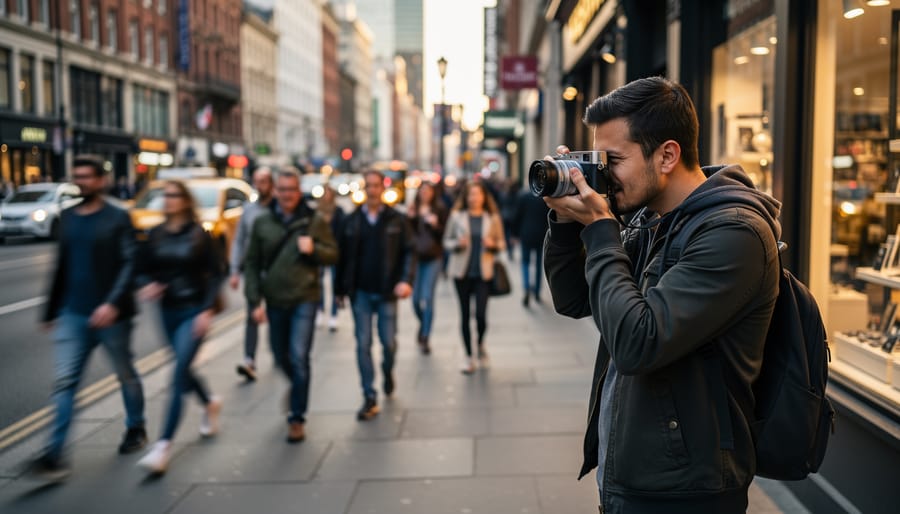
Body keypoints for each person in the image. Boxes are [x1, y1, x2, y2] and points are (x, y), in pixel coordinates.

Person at [542, 76, 780, 513]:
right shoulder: (651, 221)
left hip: (687, 489)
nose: (604, 177)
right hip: (635, 472)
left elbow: (638, 344)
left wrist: (600, 230)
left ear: (667, 154)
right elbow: (574, 300)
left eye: (613, 160)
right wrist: (564, 223)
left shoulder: (733, 233)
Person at [31, 155, 147, 482]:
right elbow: (62, 266)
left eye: (87, 177)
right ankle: (55, 454)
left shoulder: (118, 217)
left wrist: (111, 304)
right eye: (77, 176)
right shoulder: (67, 217)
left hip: (114, 317)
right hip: (73, 314)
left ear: (101, 180)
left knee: (125, 373)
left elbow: (130, 263)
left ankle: (136, 426)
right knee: (65, 383)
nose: (81, 181)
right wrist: (50, 311)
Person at [135, 180, 226, 474]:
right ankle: (209, 402)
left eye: (174, 195)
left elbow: (216, 274)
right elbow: (140, 269)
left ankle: (163, 446)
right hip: (167, 312)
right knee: (183, 368)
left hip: (193, 311)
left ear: (185, 201)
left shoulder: (199, 234)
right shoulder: (156, 234)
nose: (169, 200)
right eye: (165, 195)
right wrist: (147, 285)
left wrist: (206, 310)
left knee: (177, 376)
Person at [243, 168, 338, 442]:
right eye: (282, 190)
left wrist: (315, 250)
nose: (287, 195)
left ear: (299, 191)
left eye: (292, 190)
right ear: (275, 191)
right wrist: (254, 301)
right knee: (279, 355)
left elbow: (333, 254)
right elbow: (252, 263)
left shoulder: (314, 220)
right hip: (274, 300)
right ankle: (297, 385)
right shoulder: (263, 222)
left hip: (305, 298)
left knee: (299, 356)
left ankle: (297, 417)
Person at [335, 170, 415, 421]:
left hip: (387, 292)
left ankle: (387, 371)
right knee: (363, 344)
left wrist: (405, 280)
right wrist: (339, 290)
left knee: (388, 343)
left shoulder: (396, 219)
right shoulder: (351, 221)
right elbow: (342, 258)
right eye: (368, 186)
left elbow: (409, 252)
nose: (372, 190)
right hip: (360, 293)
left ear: (383, 188)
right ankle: (369, 395)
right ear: (364, 189)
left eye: (376, 185)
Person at [443, 181, 505, 374]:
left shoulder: (492, 218)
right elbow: (446, 241)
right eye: (471, 195)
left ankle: (480, 344)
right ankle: (469, 357)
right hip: (461, 273)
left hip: (483, 273)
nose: (474, 198)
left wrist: (492, 244)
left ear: (484, 197)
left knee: (480, 315)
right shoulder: (456, 217)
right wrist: (457, 244)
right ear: (466, 197)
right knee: (464, 315)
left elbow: (502, 243)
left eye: (478, 194)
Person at [229, 167, 274, 381]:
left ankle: (278, 352)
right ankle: (249, 360)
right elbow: (239, 240)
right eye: (257, 181)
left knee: (276, 314)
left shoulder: (278, 209)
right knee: (252, 313)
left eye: (264, 181)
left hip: (275, 270)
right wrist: (234, 270)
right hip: (253, 271)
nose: (260, 185)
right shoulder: (248, 210)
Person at [407, 182, 448, 354]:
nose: (425, 194)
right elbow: (406, 236)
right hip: (416, 259)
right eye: (422, 191)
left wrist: (435, 224)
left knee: (427, 297)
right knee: (415, 300)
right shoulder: (413, 209)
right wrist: (410, 218)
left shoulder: (439, 209)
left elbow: (445, 234)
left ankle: (425, 336)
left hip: (433, 258)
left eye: (428, 191)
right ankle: (423, 323)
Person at [315, 185, 346, 332]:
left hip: (334, 252)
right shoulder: (317, 212)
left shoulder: (338, 211)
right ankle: (320, 310)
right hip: (320, 252)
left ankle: (334, 315)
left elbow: (343, 232)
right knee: (318, 283)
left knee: (335, 283)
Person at [513, 187, 550, 307]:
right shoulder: (544, 197)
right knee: (539, 264)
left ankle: (526, 287)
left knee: (525, 262)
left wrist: (515, 234)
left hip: (526, 233)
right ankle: (537, 291)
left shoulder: (523, 196)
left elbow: (517, 216)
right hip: (541, 234)